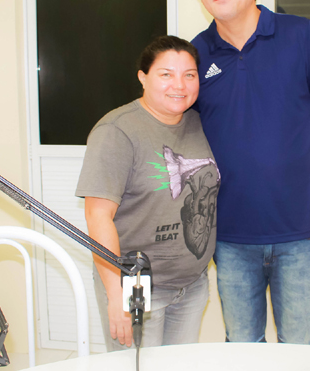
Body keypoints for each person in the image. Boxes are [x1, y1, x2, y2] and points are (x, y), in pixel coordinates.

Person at [191, 0, 310, 345]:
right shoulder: (195, 54)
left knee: (301, 352)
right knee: (243, 351)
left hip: (301, 234)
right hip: (229, 237)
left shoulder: (298, 34)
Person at [75, 35, 220, 351]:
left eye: (189, 75)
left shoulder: (199, 123)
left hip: (192, 285)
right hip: (136, 286)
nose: (179, 85)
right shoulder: (116, 131)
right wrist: (117, 294)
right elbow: (97, 216)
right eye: (166, 74)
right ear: (143, 77)